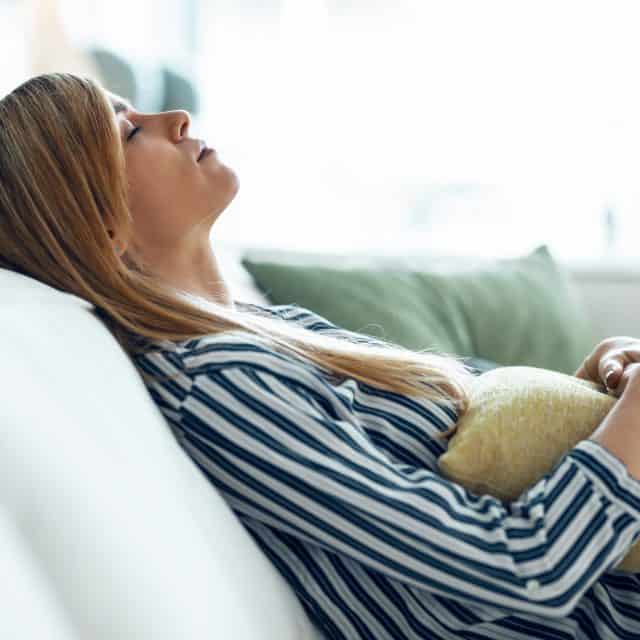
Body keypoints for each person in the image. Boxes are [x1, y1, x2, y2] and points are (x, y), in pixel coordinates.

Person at [1, 72, 640, 639]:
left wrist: (581, 406)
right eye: (130, 131)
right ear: (102, 223)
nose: (176, 120)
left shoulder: (267, 334)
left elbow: (471, 450)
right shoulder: (222, 388)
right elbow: (520, 569)